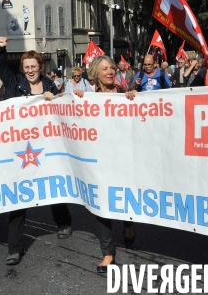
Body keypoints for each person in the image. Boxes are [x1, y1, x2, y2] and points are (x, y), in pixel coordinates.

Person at [0, 36, 72, 265]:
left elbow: (61, 107)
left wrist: (53, 97)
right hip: (19, 146)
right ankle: (14, 248)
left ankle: (64, 222)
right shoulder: (13, 81)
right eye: (26, 67)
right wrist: (0, 48)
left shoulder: (49, 84)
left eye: (33, 66)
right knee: (19, 194)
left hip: (45, 144)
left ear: (40, 67)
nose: (30, 70)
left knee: (52, 183)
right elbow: (0, 62)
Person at [71, 55, 137, 272]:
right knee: (101, 205)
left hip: (124, 158)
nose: (110, 72)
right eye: (104, 69)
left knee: (124, 197)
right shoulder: (87, 98)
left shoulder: (125, 95)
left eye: (112, 68)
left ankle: (128, 224)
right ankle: (107, 253)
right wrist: (77, 99)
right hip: (99, 160)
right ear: (95, 75)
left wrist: (134, 98)